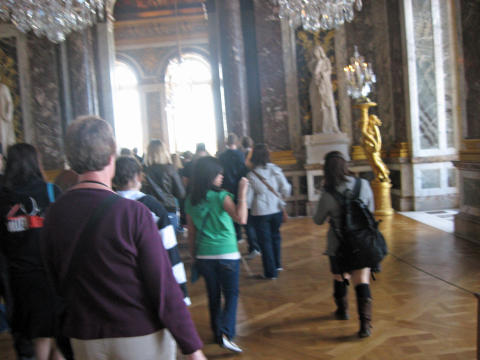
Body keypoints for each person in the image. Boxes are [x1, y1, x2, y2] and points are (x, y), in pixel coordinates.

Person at [40, 116, 206, 360]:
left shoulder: (54, 213)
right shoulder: (133, 213)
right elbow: (162, 286)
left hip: (84, 337)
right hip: (139, 334)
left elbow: (53, 281)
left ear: (71, 160)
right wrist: (191, 347)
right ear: (111, 156)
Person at [0, 143, 64, 360]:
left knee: (35, 339)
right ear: (36, 163)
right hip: (50, 276)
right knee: (56, 336)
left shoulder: (2, 197)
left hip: (18, 280)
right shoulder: (51, 192)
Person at [185, 156, 248, 353]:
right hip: (227, 253)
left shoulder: (190, 200)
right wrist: (242, 193)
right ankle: (226, 334)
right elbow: (241, 218)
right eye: (218, 174)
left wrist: (194, 256)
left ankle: (216, 331)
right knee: (231, 295)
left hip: (204, 255)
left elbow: (191, 233)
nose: (221, 177)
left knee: (213, 296)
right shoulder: (222, 196)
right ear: (209, 175)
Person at [313, 151, 375, 338]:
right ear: (346, 165)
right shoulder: (363, 184)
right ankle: (365, 325)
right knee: (362, 279)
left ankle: (343, 310)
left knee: (340, 277)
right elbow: (370, 210)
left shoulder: (328, 194)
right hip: (362, 241)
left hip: (338, 243)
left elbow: (318, 220)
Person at [113, 155, 190, 306]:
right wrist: (182, 292)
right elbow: (170, 249)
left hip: (119, 284)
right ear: (139, 177)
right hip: (150, 278)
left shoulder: (108, 205)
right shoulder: (151, 206)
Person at [246, 144, 291, 279]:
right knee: (275, 236)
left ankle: (270, 272)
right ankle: (277, 265)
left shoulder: (251, 175)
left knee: (265, 242)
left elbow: (248, 200)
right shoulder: (275, 170)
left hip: (260, 212)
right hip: (276, 209)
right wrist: (282, 198)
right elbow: (286, 188)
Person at [143, 139, 186, 233]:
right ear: (164, 152)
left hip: (148, 211)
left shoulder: (143, 171)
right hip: (168, 209)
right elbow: (181, 193)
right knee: (169, 243)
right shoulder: (170, 169)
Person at [218, 133, 248, 243]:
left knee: (230, 211)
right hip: (239, 185)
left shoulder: (222, 156)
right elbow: (243, 171)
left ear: (226, 142)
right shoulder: (241, 155)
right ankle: (242, 235)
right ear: (237, 142)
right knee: (241, 207)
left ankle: (236, 234)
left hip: (226, 187)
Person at [308, 45, 340, 134]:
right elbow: (315, 72)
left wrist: (324, 74)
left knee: (329, 105)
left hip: (326, 85)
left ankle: (332, 127)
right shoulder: (312, 63)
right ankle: (319, 128)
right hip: (316, 86)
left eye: (318, 52)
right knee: (318, 108)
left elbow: (328, 71)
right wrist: (319, 62)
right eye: (314, 52)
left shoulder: (326, 61)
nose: (316, 53)